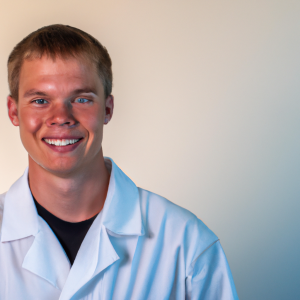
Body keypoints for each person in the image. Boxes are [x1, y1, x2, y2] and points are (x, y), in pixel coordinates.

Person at [0, 24, 239, 300]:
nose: (61, 117)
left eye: (81, 99)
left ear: (108, 109)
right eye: (40, 100)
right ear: (14, 111)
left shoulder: (186, 245)